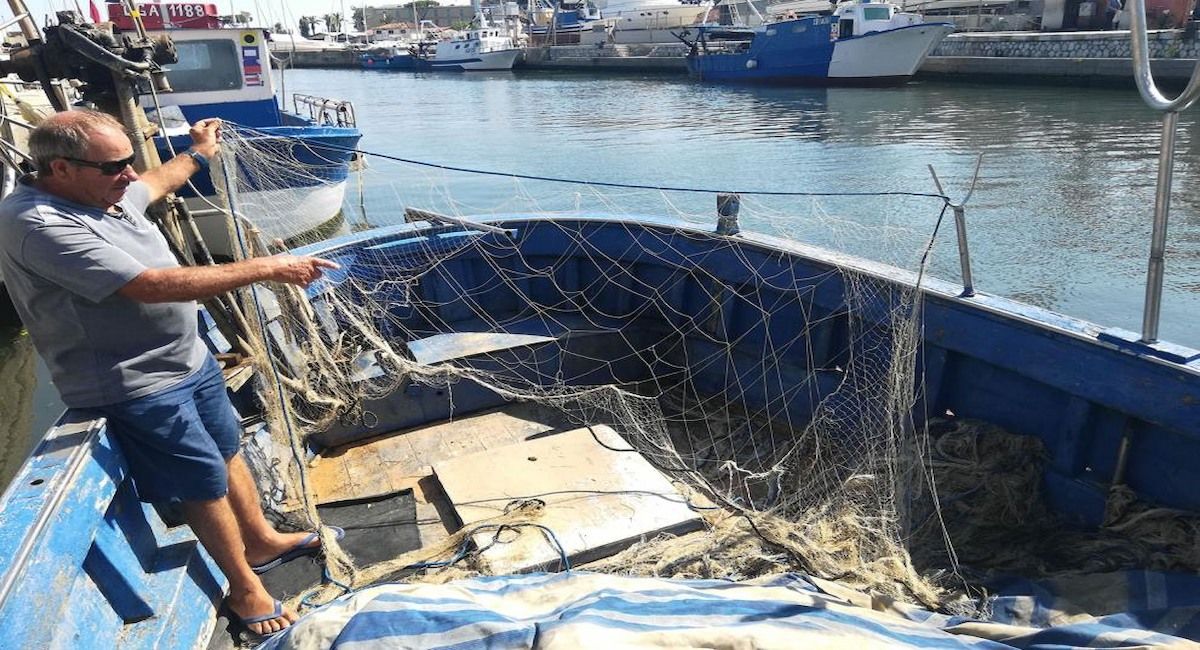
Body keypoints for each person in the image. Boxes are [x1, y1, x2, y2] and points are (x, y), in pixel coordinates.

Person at [0, 109, 338, 638]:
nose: (130, 175)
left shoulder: (104, 193)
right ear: (60, 168)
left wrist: (199, 152)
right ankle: (245, 587)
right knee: (200, 482)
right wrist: (270, 267)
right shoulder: (38, 223)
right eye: (115, 166)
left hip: (190, 358)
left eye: (129, 161)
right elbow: (150, 285)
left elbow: (157, 181)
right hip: (135, 380)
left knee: (228, 451)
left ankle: (260, 539)